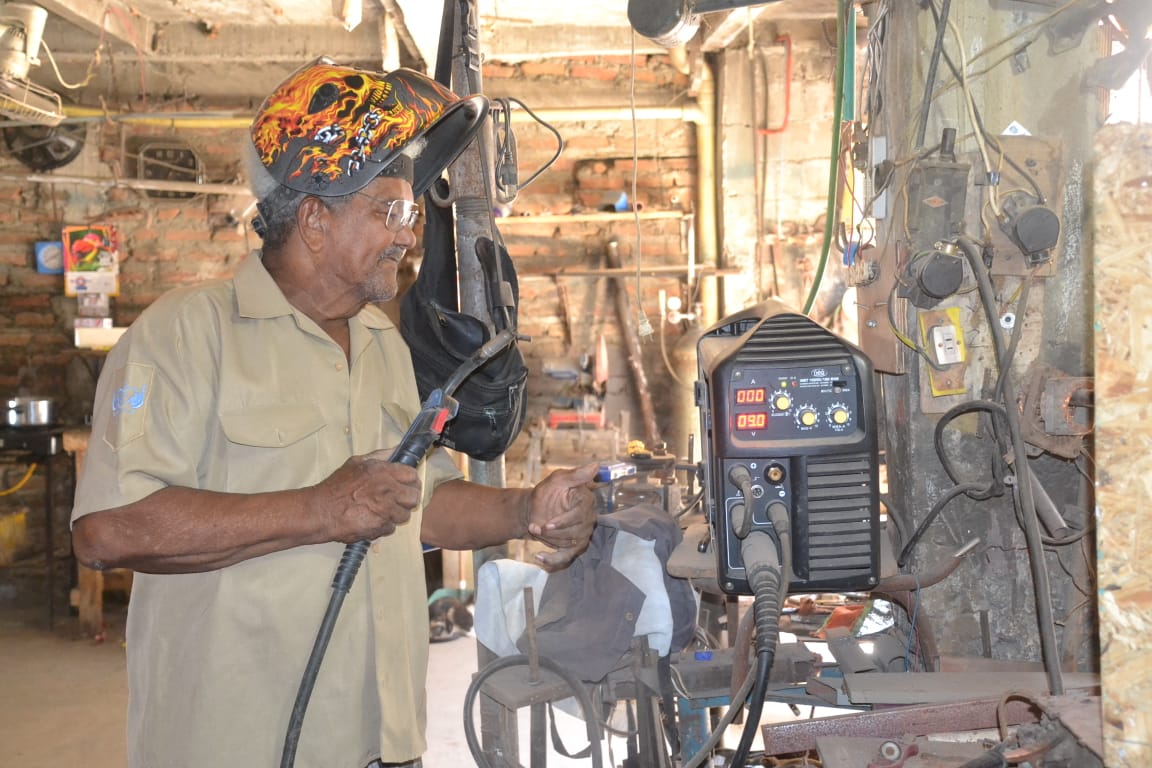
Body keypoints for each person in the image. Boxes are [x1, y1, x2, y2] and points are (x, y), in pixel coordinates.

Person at [70, 60, 598, 768]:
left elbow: (424, 501)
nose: (408, 234)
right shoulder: (187, 334)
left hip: (381, 744)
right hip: (234, 747)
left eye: (409, 212)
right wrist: (320, 509)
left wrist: (527, 510)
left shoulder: (381, 340)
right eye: (390, 210)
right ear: (315, 220)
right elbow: (108, 530)